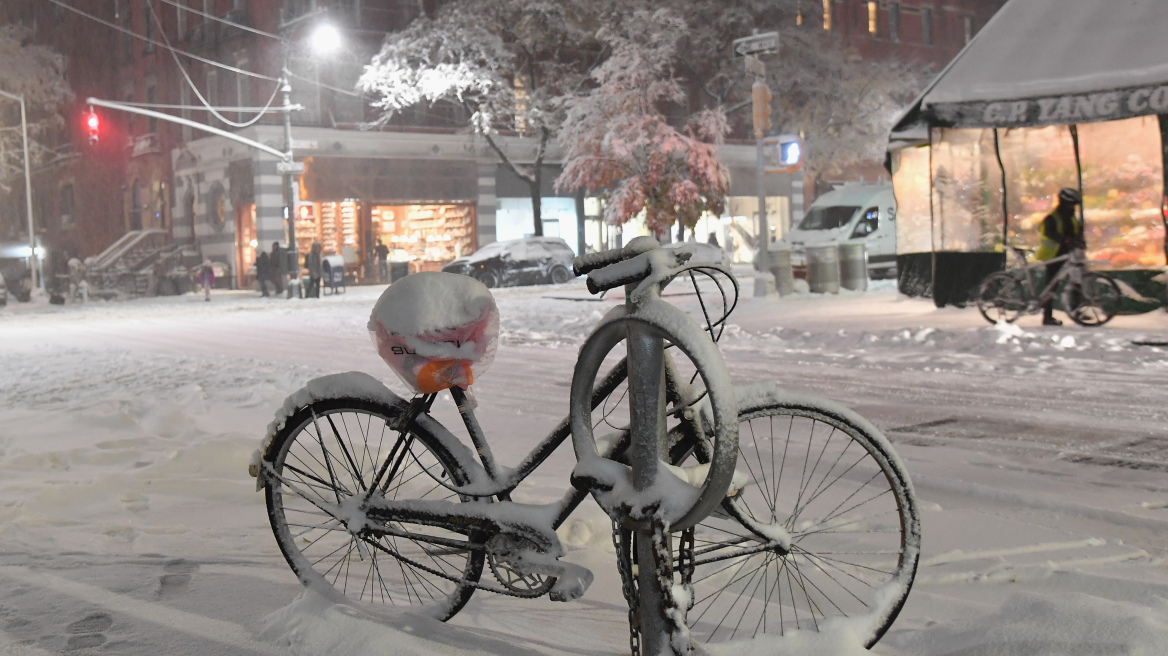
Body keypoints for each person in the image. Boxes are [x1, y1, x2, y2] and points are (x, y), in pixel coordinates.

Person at [1035, 187, 1085, 326]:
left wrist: (1078, 241)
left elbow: (1075, 232)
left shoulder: (1071, 217)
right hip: (1053, 255)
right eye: (1071, 203)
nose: (1073, 207)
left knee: (1077, 281)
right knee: (1051, 286)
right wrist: (1065, 240)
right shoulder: (1053, 217)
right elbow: (1049, 232)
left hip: (1068, 254)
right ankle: (1047, 316)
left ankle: (1077, 311)